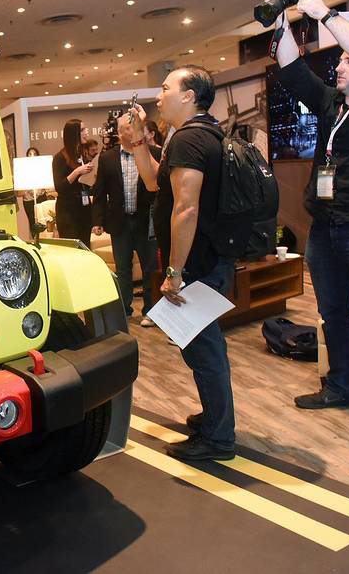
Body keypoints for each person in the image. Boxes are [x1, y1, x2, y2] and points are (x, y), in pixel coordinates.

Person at [269, 0, 349, 447]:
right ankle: (341, 388)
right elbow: (291, 70)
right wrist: (281, 20)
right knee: (333, 313)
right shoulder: (332, 104)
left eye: (346, 61)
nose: (338, 66)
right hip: (324, 227)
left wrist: (324, 12)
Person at [130, 66, 236, 461]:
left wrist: (175, 272)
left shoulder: (190, 139)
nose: (158, 96)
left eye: (165, 88)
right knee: (202, 347)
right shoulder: (198, 132)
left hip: (199, 263)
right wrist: (139, 139)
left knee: (205, 350)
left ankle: (219, 437)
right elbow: (156, 183)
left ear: (189, 96)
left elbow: (186, 209)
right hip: (209, 257)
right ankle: (215, 418)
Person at [91, 114, 161, 326]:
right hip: (119, 221)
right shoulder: (107, 158)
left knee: (149, 267)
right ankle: (125, 309)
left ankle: (151, 311)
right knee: (122, 269)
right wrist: (98, 220)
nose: (135, 130)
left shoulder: (154, 154)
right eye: (130, 127)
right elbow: (100, 192)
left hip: (145, 221)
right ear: (121, 133)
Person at [52, 120, 95, 247]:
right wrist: (77, 172)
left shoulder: (83, 156)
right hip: (68, 212)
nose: (86, 132)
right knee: (72, 249)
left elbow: (86, 185)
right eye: (82, 130)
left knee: (85, 247)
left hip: (84, 209)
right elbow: (59, 187)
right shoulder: (59, 158)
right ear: (73, 134)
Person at [21, 147, 42, 226]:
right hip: (28, 200)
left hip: (40, 197)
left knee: (41, 220)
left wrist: (38, 192)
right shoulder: (23, 168)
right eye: (30, 154)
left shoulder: (41, 167)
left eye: (34, 154)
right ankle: (34, 237)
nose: (32, 155)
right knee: (32, 221)